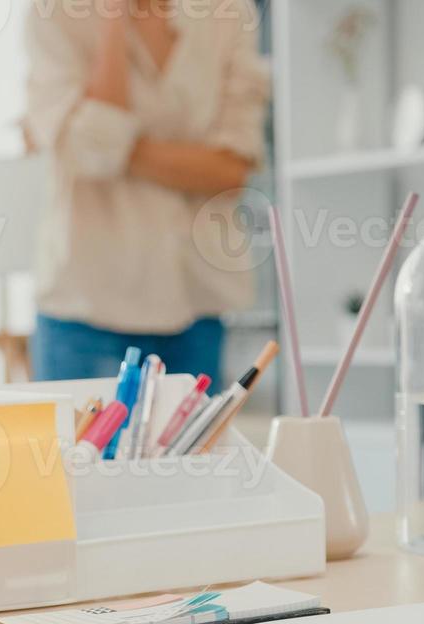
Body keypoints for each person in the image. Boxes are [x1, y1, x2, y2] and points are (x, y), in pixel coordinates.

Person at [25, 0, 270, 381]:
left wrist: (111, 147)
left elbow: (230, 170)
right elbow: (92, 154)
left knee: (197, 444)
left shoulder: (229, 12)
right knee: (80, 443)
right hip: (86, 309)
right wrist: (112, 20)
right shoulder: (55, 12)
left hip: (196, 304)